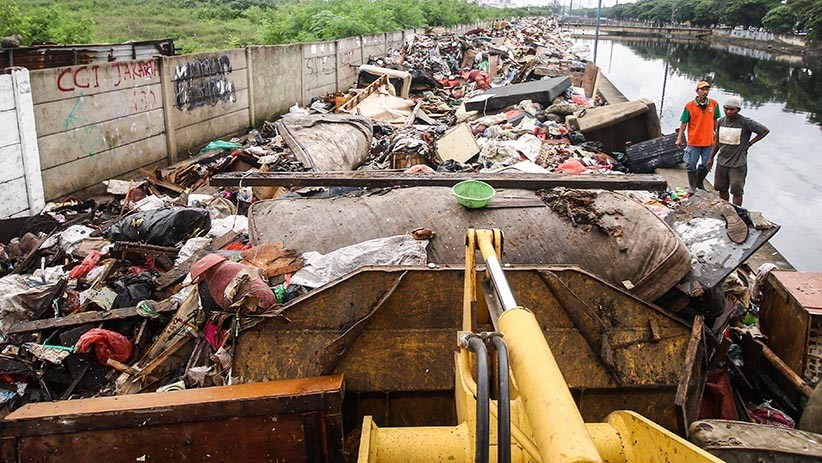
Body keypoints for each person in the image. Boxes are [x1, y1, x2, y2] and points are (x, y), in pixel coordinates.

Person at [706, 96, 769, 206]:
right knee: (722, 188)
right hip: (722, 162)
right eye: (726, 109)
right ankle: (726, 210)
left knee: (736, 191)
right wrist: (711, 157)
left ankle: (737, 211)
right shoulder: (721, 122)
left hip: (738, 164)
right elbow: (717, 141)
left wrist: (749, 143)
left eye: (732, 109)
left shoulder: (745, 122)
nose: (728, 112)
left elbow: (764, 131)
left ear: (738, 110)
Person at [676, 80, 722, 193]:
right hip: (694, 141)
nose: (705, 92)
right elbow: (684, 122)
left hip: (708, 141)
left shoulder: (714, 104)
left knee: (707, 164)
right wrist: (679, 137)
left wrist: (717, 134)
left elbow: (715, 120)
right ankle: (692, 186)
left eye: (707, 90)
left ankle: (699, 182)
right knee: (691, 164)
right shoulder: (689, 106)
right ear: (697, 91)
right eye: (702, 89)